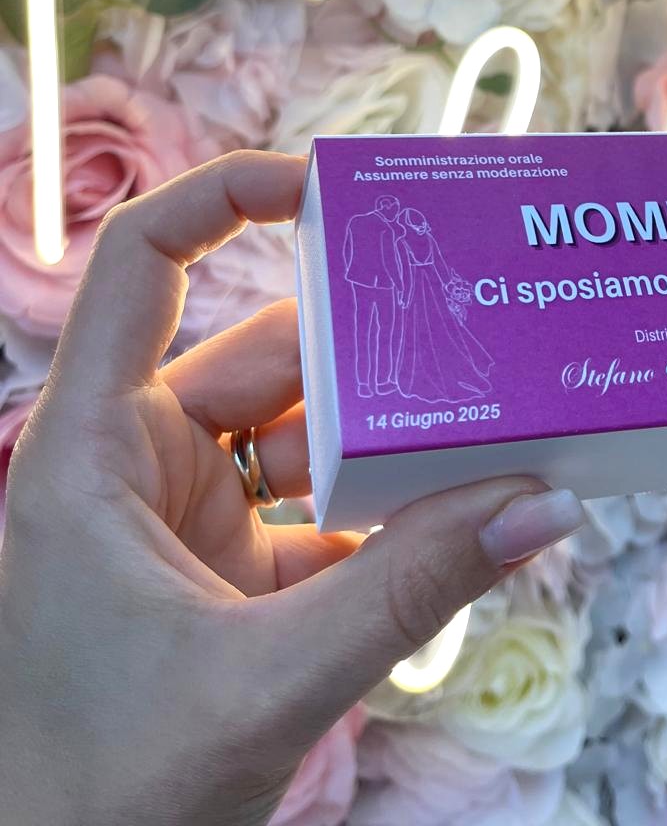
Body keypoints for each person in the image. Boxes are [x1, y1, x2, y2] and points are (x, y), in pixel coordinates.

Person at [0, 151, 584, 826]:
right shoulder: (368, 225)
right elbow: (366, 264)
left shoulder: (407, 230)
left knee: (403, 355)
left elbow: (422, 260)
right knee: (382, 355)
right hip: (380, 296)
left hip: (408, 298)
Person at [393, 207, 494, 404]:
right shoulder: (428, 239)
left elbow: (405, 272)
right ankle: (461, 366)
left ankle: (428, 371)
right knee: (443, 325)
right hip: (433, 283)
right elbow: (440, 265)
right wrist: (449, 285)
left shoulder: (402, 242)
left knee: (420, 328)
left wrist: (405, 295)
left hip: (417, 287)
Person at [343, 193, 406, 398]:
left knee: (362, 331)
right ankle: (381, 382)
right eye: (395, 208)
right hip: (383, 286)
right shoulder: (385, 228)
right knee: (385, 332)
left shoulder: (355, 221)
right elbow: (390, 261)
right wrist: (400, 285)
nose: (396, 212)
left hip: (359, 281)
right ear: (385, 206)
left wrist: (352, 271)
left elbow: (348, 249)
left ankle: (363, 383)